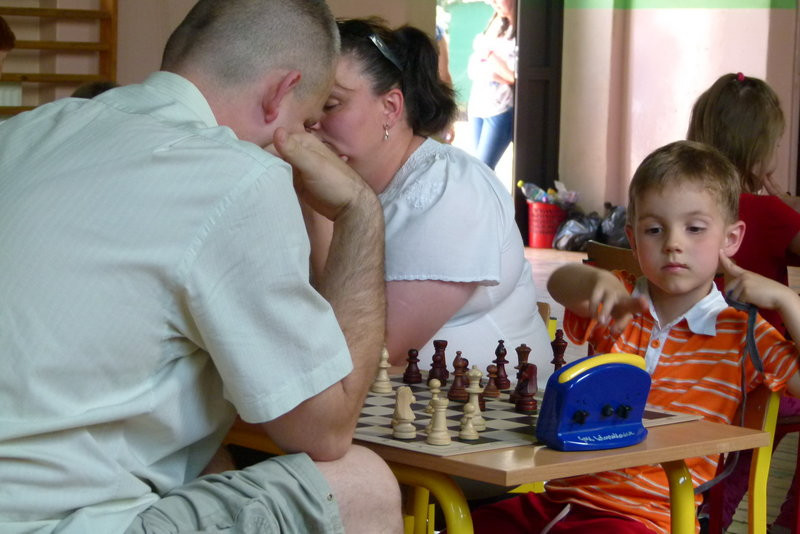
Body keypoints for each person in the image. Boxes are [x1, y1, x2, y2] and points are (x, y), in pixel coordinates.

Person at [0, 1, 402, 533]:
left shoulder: (25, 131)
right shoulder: (239, 174)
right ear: (281, 92)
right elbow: (324, 431)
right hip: (52, 522)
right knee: (360, 484)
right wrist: (358, 213)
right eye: (307, 122)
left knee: (207, 453)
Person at [468, 140, 800, 533]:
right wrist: (595, 279)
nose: (674, 243)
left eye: (694, 228)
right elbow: (560, 283)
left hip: (647, 518)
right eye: (655, 229)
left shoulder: (743, 332)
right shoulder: (619, 301)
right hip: (561, 499)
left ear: (731, 239)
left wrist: (788, 301)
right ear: (632, 237)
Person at [309, 17, 552, 387]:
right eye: (305, 104)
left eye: (330, 104)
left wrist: (319, 209)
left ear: (391, 107)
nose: (310, 123)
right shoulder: (347, 184)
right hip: (388, 412)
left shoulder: (450, 189)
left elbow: (369, 351)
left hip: (488, 417)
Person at [687, 71, 800, 532]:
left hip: (691, 368)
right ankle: (791, 522)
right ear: (762, 149)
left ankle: (708, 513)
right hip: (756, 380)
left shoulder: (687, 205)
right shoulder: (769, 214)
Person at [467, 0, 516, 170]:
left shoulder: (524, 31)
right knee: (477, 167)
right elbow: (474, 66)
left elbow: (512, 76)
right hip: (478, 104)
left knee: (482, 169)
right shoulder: (496, 23)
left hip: (500, 108)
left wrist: (488, 54)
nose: (493, 2)